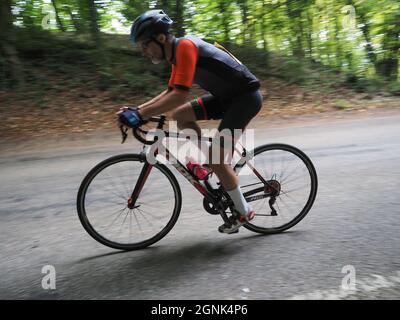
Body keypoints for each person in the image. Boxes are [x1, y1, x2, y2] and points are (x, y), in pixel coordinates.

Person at [118, 9, 263, 234]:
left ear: (161, 38)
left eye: (144, 45)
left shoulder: (185, 46)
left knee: (217, 159)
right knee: (180, 115)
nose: (143, 51)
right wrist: (138, 110)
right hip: (226, 98)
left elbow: (178, 95)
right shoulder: (176, 56)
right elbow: (170, 92)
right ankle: (212, 163)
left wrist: (142, 114)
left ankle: (244, 211)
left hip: (245, 99)